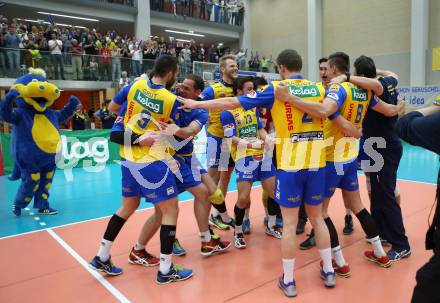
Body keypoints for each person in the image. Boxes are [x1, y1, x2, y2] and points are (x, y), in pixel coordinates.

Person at [180, 49, 337, 297]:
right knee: (318, 219)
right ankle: (329, 270)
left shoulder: (276, 90)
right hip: (317, 163)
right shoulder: (318, 88)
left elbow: (230, 102)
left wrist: (196, 103)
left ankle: (289, 280)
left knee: (289, 223)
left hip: (290, 165)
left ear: (282, 68)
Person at [274, 52, 405, 277]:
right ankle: (380, 252)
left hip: (330, 158)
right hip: (350, 157)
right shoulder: (364, 92)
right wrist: (399, 107)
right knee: (357, 205)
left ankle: (339, 261)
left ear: (335, 70)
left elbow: (325, 111)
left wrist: (293, 100)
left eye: (328, 69)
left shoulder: (336, 90)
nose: (325, 73)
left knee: (321, 214)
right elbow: (389, 110)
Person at [89, 55, 194, 284]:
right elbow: (185, 129)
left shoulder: (134, 87)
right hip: (151, 161)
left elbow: (114, 112)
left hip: (127, 159)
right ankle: (166, 271)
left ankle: (102, 255)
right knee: (170, 210)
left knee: (128, 206)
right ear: (171, 74)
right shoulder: (170, 99)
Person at [337, 57, 410, 261]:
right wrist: (371, 71)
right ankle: (381, 234)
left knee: (385, 195)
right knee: (376, 193)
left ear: (360, 75)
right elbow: (391, 73)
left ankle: (401, 244)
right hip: (373, 147)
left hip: (382, 148)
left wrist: (348, 77)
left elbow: (376, 84)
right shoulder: (390, 81)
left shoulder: (375, 89)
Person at [220, 76, 281, 248]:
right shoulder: (227, 112)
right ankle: (238, 231)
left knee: (274, 191)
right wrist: (249, 144)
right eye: (249, 89)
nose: (253, 92)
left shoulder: (253, 107)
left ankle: (271, 224)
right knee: (243, 198)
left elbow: (259, 128)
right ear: (239, 91)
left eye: (253, 89)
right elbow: (231, 137)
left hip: (261, 153)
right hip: (243, 156)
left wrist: (267, 138)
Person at [395, 102, 440, 303]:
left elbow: (404, 125)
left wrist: (435, 106)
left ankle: (397, 242)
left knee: (383, 196)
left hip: (381, 151)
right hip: (376, 153)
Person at [201, 54, 238, 231]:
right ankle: (205, 220)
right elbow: (198, 106)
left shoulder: (239, 88)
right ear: (222, 69)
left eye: (236, 65)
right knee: (212, 179)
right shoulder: (212, 90)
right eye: (231, 65)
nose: (235, 68)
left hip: (233, 141)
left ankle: (216, 215)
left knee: (226, 177)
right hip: (217, 139)